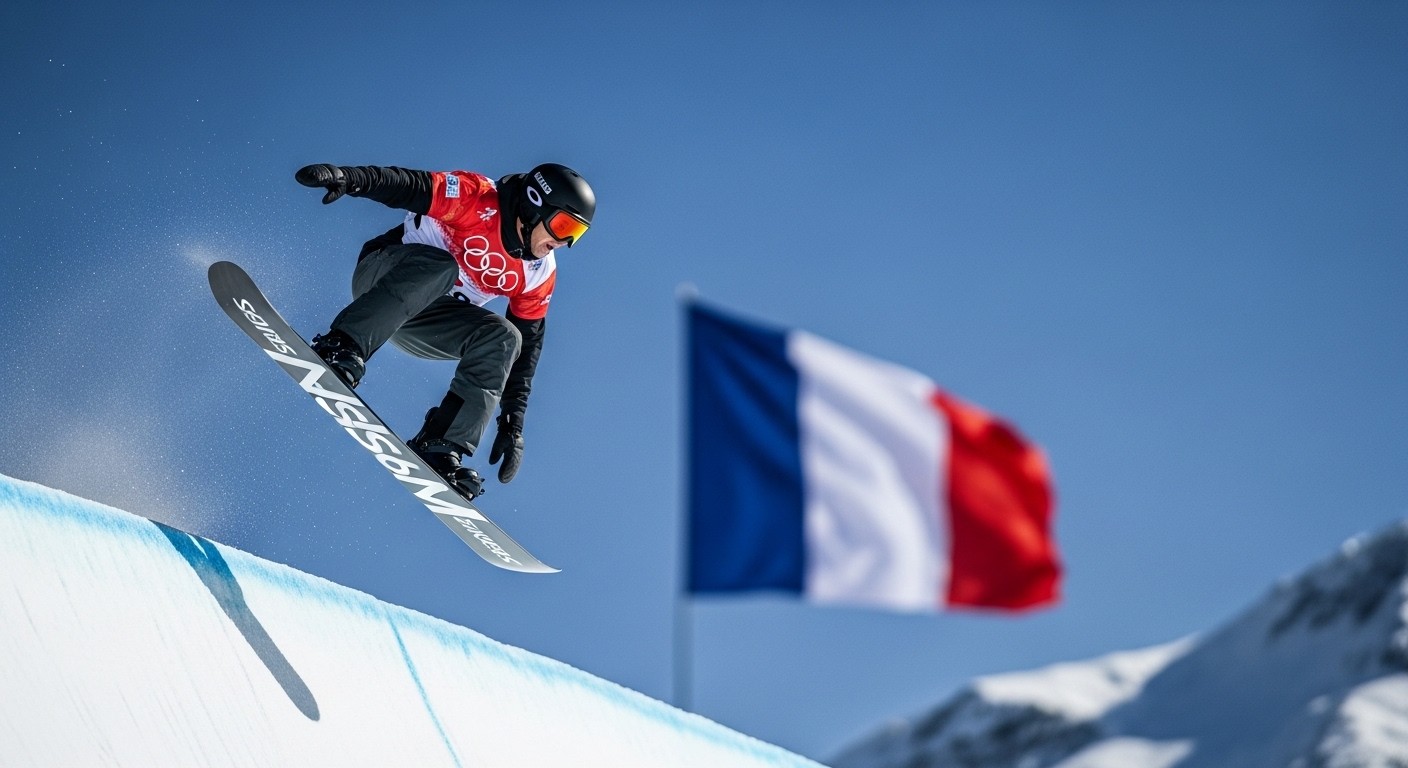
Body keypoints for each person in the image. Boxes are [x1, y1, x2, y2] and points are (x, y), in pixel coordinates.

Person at [293, 162, 595, 499]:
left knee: (506, 337)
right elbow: (406, 185)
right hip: (381, 281)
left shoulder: (538, 272)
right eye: (563, 225)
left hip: (426, 320)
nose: (564, 241)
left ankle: (441, 445)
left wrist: (513, 420)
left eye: (576, 234)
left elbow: (528, 348)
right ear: (534, 204)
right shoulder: (477, 198)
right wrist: (348, 178)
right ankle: (342, 345)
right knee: (443, 266)